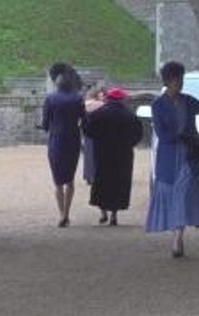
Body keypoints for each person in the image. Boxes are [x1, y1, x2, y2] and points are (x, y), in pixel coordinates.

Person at [145, 61, 199, 257]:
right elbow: (162, 133)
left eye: (181, 79)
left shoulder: (189, 101)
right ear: (168, 81)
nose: (181, 83)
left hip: (188, 157)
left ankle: (178, 237)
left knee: (184, 195)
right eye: (177, 80)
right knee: (171, 195)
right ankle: (176, 233)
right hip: (168, 158)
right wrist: (184, 136)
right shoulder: (158, 105)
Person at [84, 87, 144, 225]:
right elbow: (138, 134)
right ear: (122, 100)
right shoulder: (130, 116)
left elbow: (87, 129)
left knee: (102, 181)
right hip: (122, 154)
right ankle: (114, 214)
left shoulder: (98, 114)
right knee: (119, 182)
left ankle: (103, 211)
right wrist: (130, 144)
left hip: (102, 152)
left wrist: (97, 139)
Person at [40, 68, 86, 228]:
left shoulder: (50, 99)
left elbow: (45, 124)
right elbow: (84, 121)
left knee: (58, 181)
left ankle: (61, 214)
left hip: (56, 140)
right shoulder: (78, 99)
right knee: (70, 180)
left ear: (57, 85)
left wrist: (45, 127)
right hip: (73, 140)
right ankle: (67, 212)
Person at [83, 84, 106, 190]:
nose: (103, 96)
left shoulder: (85, 104)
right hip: (99, 132)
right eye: (102, 94)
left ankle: (89, 176)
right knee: (96, 155)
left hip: (88, 132)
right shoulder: (101, 104)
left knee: (89, 154)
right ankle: (95, 176)